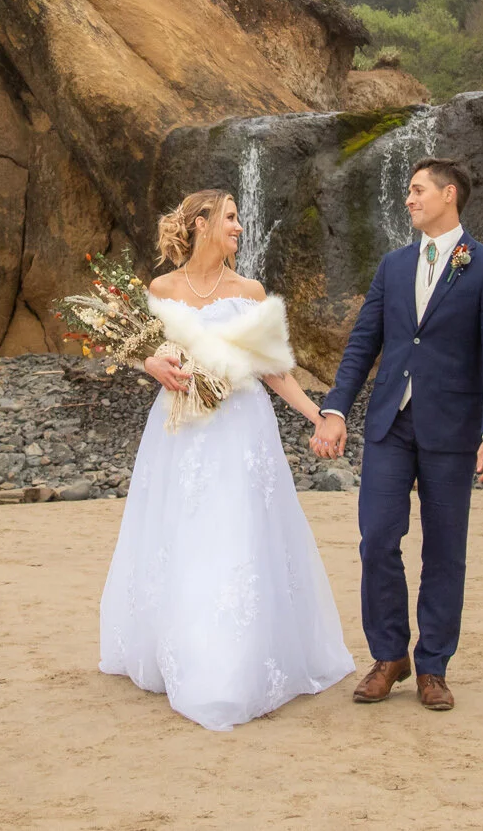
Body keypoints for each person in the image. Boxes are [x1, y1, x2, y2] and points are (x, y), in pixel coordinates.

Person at [98, 189, 354, 730]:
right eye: (231, 218)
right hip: (180, 431)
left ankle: (235, 663)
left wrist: (319, 415)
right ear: (200, 224)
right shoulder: (161, 288)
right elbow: (141, 347)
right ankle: (182, 651)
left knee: (238, 534)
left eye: (239, 218)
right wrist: (157, 366)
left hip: (242, 429)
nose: (239, 227)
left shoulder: (250, 290)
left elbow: (274, 370)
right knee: (183, 535)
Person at [312, 157, 483, 712]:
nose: (409, 198)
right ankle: (388, 656)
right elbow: (363, 343)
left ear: (449, 195)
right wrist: (335, 409)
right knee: (377, 538)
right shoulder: (394, 266)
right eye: (407, 191)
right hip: (389, 423)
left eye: (417, 189)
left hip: (453, 429)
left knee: (445, 551)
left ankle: (433, 666)